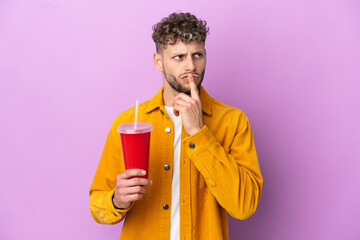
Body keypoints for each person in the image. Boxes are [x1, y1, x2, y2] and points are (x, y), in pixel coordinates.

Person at [89, 12, 263, 240]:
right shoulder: (127, 122)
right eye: (179, 57)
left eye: (197, 55)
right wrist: (116, 200)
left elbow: (244, 205)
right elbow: (97, 204)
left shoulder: (233, 121)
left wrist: (199, 132)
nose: (191, 66)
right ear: (158, 61)